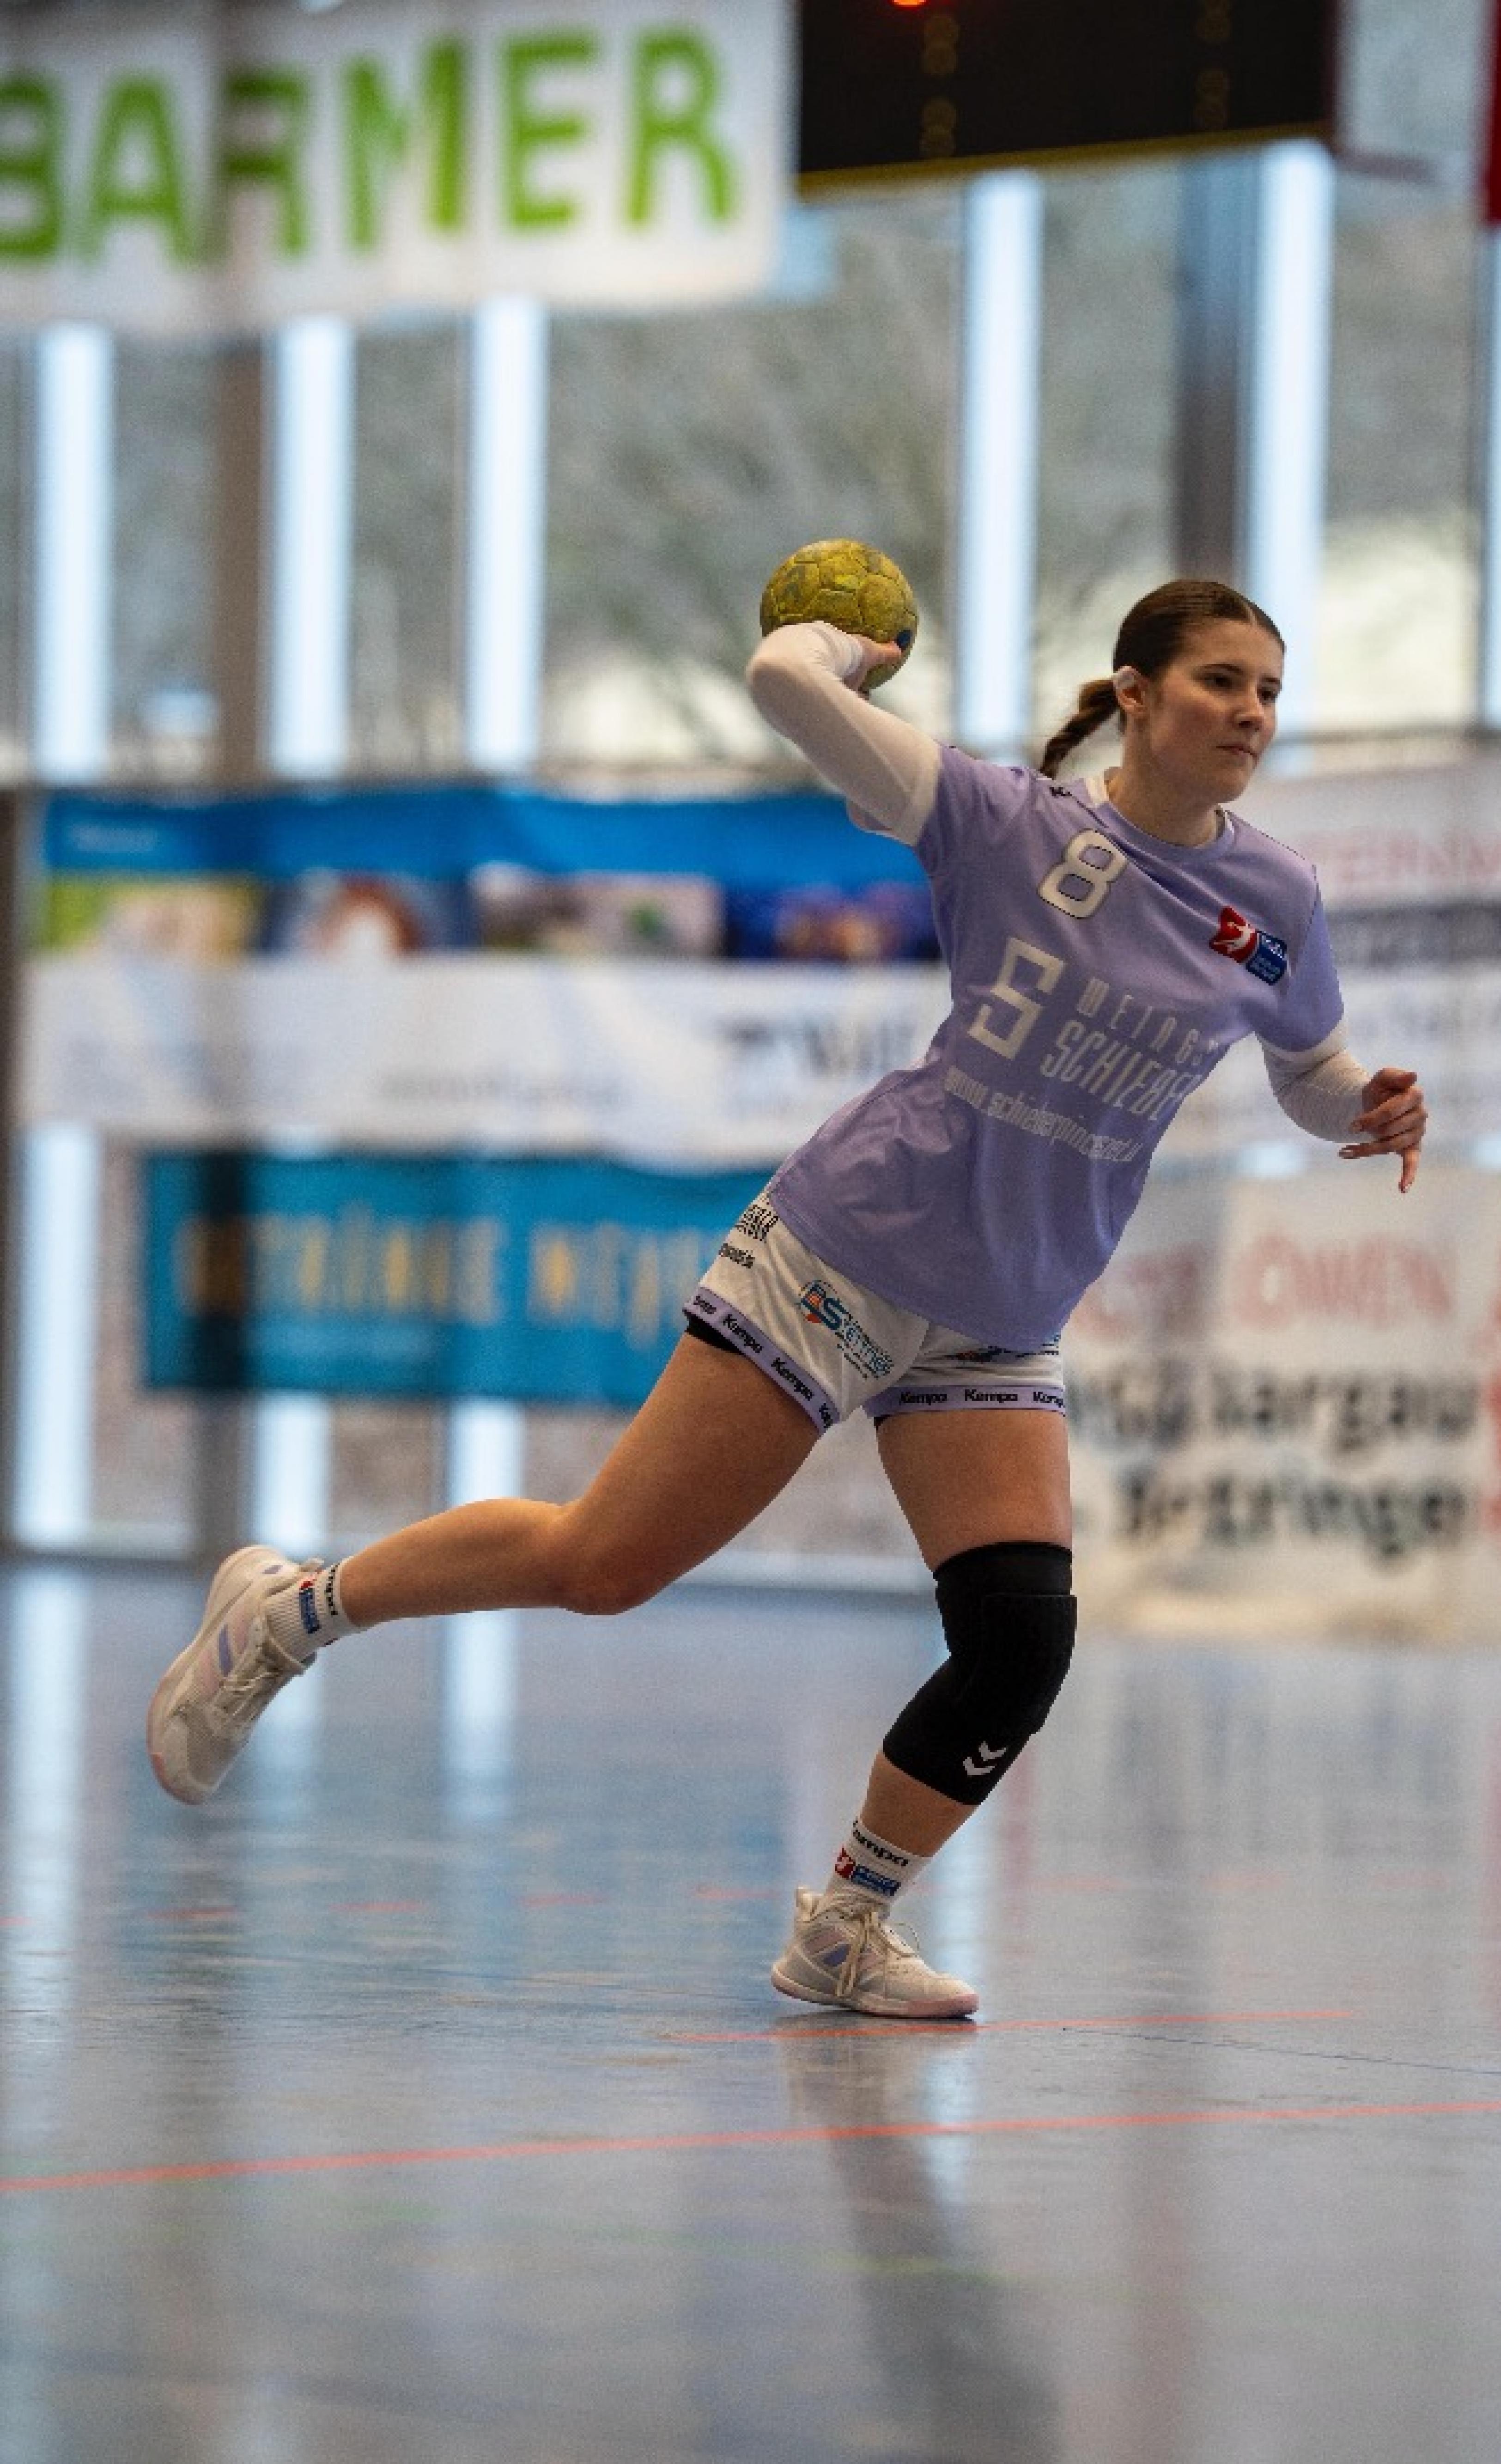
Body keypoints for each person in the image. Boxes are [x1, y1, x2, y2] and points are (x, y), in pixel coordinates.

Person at [146, 576, 1427, 2022]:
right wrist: (848, 649)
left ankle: (844, 1929)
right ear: (1134, 694)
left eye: (1270, 691)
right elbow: (780, 681)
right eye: (1220, 682)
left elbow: (1309, 1070)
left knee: (1019, 1643)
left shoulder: (1275, 899)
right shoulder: (1006, 823)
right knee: (603, 1564)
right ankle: (290, 1614)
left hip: (1006, 1308)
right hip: (854, 1251)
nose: (1252, 713)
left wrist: (1364, 1107)